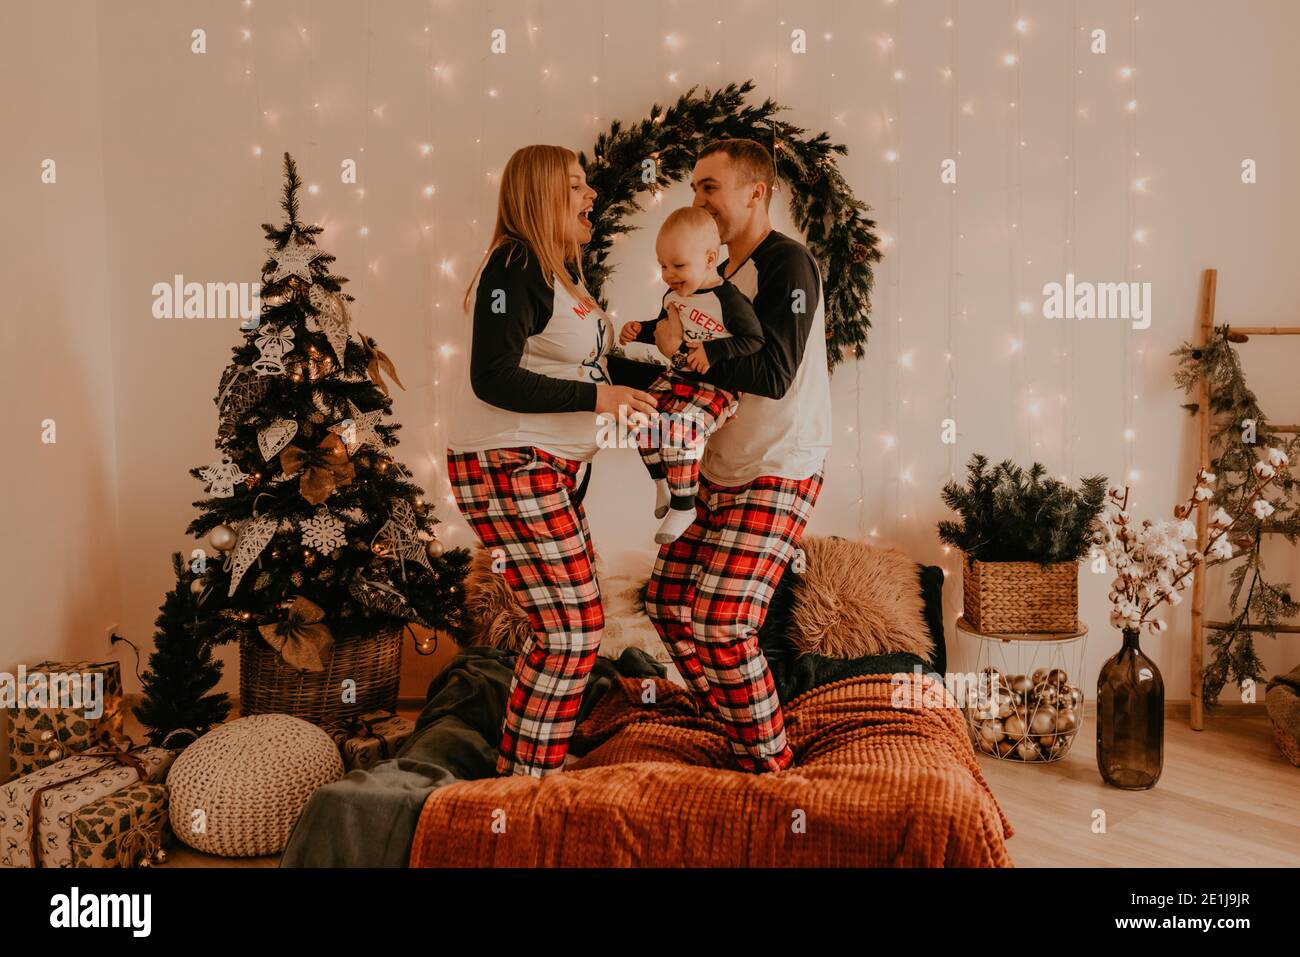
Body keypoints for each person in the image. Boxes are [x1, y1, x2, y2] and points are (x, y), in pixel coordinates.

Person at [445, 144, 656, 777]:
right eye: (575, 184)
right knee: (571, 630)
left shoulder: (559, 275)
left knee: (568, 624)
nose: (591, 194)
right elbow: (494, 377)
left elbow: (584, 364)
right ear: (540, 196)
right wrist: (601, 397)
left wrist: (662, 367)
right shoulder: (514, 266)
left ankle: (528, 762)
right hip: (508, 465)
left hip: (541, 468)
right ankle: (527, 785)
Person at [644, 138, 832, 773]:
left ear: (756, 192)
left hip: (780, 465)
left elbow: (776, 372)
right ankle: (734, 722)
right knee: (667, 602)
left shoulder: (789, 267)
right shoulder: (706, 274)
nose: (697, 199)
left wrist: (700, 354)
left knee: (722, 622)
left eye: (708, 187)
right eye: (694, 187)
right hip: (715, 471)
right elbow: (676, 351)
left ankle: (770, 768)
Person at [618, 206, 764, 544]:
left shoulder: (728, 299)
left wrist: (714, 351)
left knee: (679, 435)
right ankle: (662, 485)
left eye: (678, 265)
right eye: (663, 266)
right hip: (678, 377)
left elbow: (754, 341)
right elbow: (665, 329)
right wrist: (641, 329)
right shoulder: (674, 295)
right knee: (640, 415)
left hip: (718, 387)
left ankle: (685, 505)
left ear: (710, 258)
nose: (668, 274)